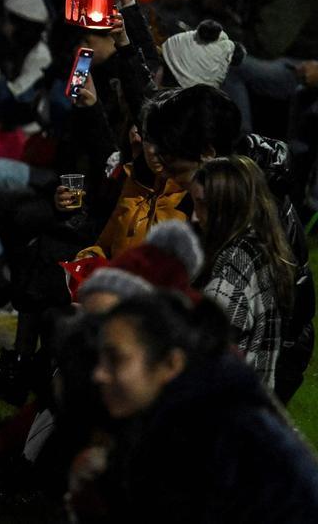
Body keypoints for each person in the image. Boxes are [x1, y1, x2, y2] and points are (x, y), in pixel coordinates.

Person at [76, 292, 318, 520]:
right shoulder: (171, 413)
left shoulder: (218, 438)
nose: (99, 374)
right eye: (102, 360)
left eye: (116, 359)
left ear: (171, 363)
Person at [192, 155, 295, 389]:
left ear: (225, 206)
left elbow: (200, 362)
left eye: (201, 204)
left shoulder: (230, 276)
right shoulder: (263, 248)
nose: (195, 217)